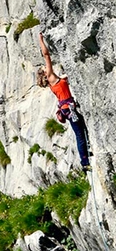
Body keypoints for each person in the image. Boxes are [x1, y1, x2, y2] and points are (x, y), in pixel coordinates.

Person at [37, 32, 91, 172]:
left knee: (81, 128)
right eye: (45, 68)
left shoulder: (54, 81)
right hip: (69, 108)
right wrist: (41, 40)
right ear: (45, 74)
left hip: (66, 108)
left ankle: (87, 152)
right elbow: (46, 55)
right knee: (79, 134)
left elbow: (63, 81)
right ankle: (84, 162)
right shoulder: (50, 77)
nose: (46, 67)